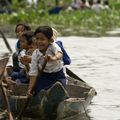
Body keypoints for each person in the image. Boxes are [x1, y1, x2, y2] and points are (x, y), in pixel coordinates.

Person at [28, 26, 67, 95]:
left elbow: (60, 53)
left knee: (60, 90)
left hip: (58, 75)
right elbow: (33, 73)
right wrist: (30, 89)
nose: (39, 42)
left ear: (49, 40)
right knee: (37, 90)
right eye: (37, 38)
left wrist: (53, 58)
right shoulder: (35, 54)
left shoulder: (53, 46)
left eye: (42, 39)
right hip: (45, 76)